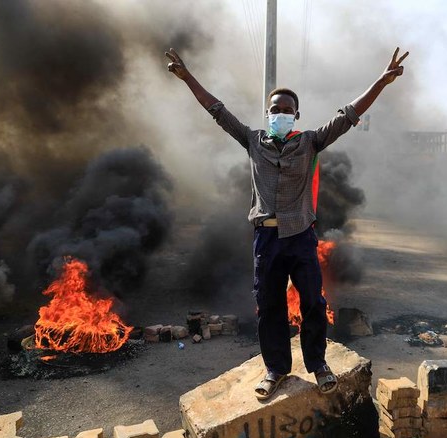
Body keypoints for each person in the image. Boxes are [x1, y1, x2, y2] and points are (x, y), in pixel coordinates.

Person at [166, 46, 409, 400]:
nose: (281, 114)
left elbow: (349, 114)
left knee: (312, 302)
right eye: (275, 110)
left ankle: (318, 365)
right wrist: (188, 78)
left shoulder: (310, 142)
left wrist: (381, 82)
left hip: (301, 238)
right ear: (268, 114)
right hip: (267, 240)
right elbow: (217, 110)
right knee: (269, 307)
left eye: (287, 110)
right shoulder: (252, 141)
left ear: (296, 115)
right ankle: (275, 369)